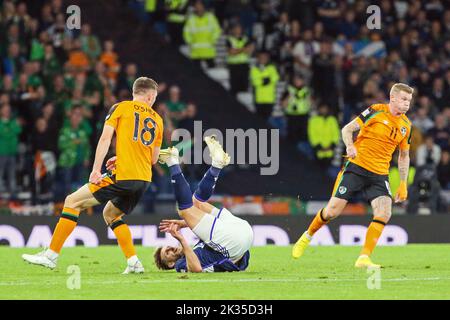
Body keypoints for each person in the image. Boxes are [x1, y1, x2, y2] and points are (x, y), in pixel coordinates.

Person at [22, 77, 164, 274]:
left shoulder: (121, 108)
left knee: (72, 201)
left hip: (124, 175)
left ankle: (50, 256)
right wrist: (120, 158)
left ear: (135, 92)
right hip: (143, 180)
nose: (153, 101)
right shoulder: (158, 120)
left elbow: (106, 138)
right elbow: (153, 158)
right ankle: (133, 262)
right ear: (150, 96)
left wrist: (96, 169)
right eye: (154, 98)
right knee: (111, 214)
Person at [292, 83, 414, 268]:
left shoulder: (406, 125)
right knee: (332, 211)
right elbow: (347, 129)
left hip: (379, 173)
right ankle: (306, 236)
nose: (407, 104)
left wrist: (403, 183)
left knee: (384, 212)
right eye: (404, 99)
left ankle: (363, 258)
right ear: (393, 98)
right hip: (356, 167)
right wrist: (350, 146)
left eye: (409, 101)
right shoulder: (375, 111)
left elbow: (404, 155)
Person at [154, 136, 253, 272]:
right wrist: (182, 239)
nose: (171, 248)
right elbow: (196, 270)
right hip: (236, 240)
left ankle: (217, 164)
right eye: (168, 253)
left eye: (168, 247)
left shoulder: (200, 245)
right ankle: (172, 161)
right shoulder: (181, 264)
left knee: (196, 202)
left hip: (240, 233)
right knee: (185, 209)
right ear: (170, 264)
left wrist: (183, 223)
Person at [183, 0, 221, 68]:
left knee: (211, 71)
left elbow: (217, 30)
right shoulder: (191, 19)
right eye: (196, 5)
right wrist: (191, 42)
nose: (198, 7)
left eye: (200, 5)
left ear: (204, 6)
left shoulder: (210, 17)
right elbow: (186, 32)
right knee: (195, 74)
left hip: (209, 51)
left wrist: (213, 40)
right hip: (195, 52)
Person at [250, 51, 280, 121]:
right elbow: (256, 82)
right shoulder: (254, 69)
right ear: (258, 59)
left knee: (268, 119)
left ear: (268, 58)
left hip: (270, 99)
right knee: (259, 119)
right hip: (259, 99)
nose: (263, 59)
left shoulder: (272, 67)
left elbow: (275, 78)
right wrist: (267, 79)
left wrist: (263, 79)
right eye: (261, 57)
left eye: (265, 57)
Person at [226, 23, 254, 95]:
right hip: (233, 66)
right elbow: (231, 52)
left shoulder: (246, 39)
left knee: (244, 86)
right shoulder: (229, 39)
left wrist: (237, 50)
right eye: (236, 28)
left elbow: (249, 50)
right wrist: (243, 49)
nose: (238, 30)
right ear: (233, 30)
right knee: (234, 87)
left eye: (239, 28)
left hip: (244, 65)